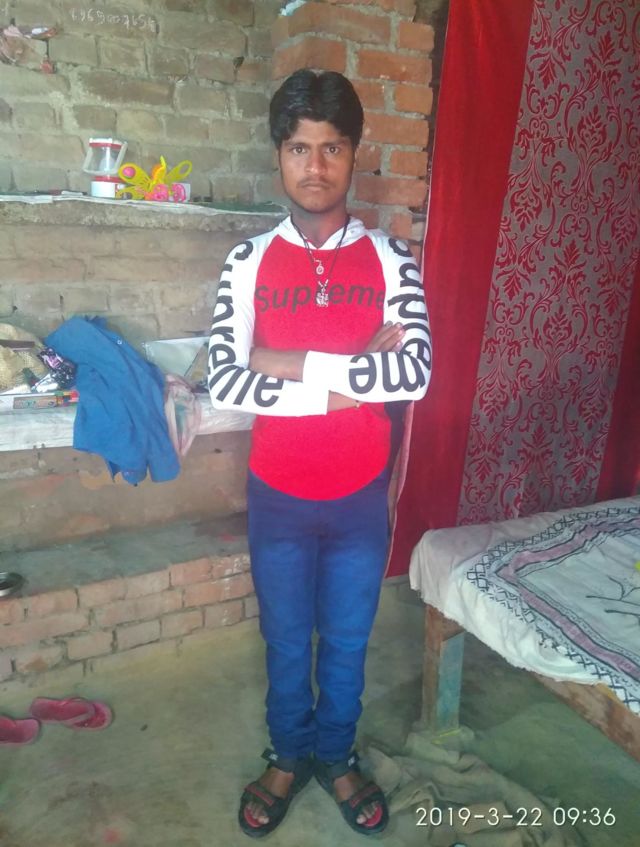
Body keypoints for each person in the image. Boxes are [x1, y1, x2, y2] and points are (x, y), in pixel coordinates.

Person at [207, 68, 432, 838]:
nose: (315, 165)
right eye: (299, 148)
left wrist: (284, 362)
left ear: (352, 155)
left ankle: (335, 753)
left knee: (346, 637)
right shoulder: (247, 262)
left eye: (331, 147)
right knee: (282, 636)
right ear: (279, 155)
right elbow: (225, 380)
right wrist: (350, 380)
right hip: (277, 493)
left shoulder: (392, 260)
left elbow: (414, 373)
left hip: (360, 498)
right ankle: (288, 752)